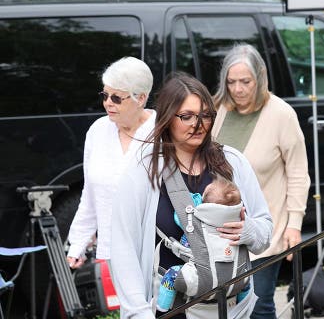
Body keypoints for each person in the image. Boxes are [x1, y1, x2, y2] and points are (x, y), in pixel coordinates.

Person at [109, 72, 273, 318]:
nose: (198, 125)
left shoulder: (233, 162)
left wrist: (249, 230)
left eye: (206, 115)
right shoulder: (143, 171)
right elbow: (123, 248)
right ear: (166, 117)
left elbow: (265, 231)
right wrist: (138, 312)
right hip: (173, 308)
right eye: (187, 117)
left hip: (233, 309)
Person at [211, 44, 310, 319]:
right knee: (226, 305)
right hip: (222, 230)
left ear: (260, 77)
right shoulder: (218, 109)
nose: (238, 89)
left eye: (246, 81)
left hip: (266, 229)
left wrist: (294, 224)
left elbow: (299, 173)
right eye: (231, 82)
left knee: (259, 304)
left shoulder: (281, 113)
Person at [66, 56, 156, 268]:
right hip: (112, 250)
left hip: (156, 250)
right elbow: (90, 194)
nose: (108, 102)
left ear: (141, 98)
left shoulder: (162, 132)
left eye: (117, 98)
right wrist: (78, 242)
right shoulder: (98, 130)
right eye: (105, 95)